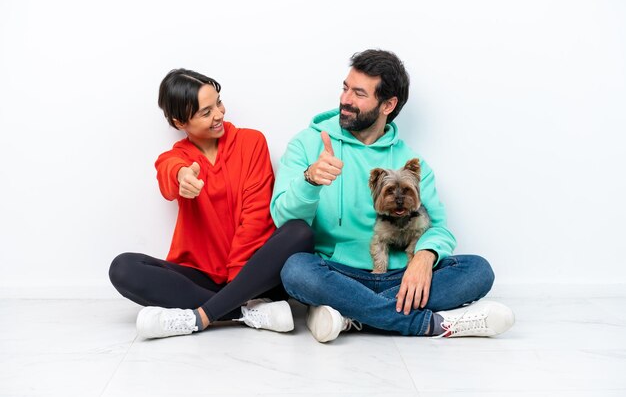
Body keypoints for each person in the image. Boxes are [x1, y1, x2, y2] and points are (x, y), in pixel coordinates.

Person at [271, 49, 515, 343]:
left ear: (388, 104)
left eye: (359, 93)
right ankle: (428, 323)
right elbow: (282, 220)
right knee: (295, 270)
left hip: (401, 277)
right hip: (337, 274)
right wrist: (310, 180)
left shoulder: (411, 161)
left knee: (478, 270)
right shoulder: (308, 144)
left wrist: (425, 256)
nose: (345, 100)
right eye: (345, 88)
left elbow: (439, 227)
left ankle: (351, 314)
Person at [109, 68, 313, 339]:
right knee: (122, 268)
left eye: (217, 102)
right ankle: (244, 313)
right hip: (202, 277)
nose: (219, 114)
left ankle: (201, 316)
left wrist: (238, 282)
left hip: (254, 275)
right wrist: (181, 175)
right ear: (180, 122)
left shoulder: (251, 142)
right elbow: (168, 170)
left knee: (300, 231)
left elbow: (255, 219)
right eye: (206, 112)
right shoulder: (177, 158)